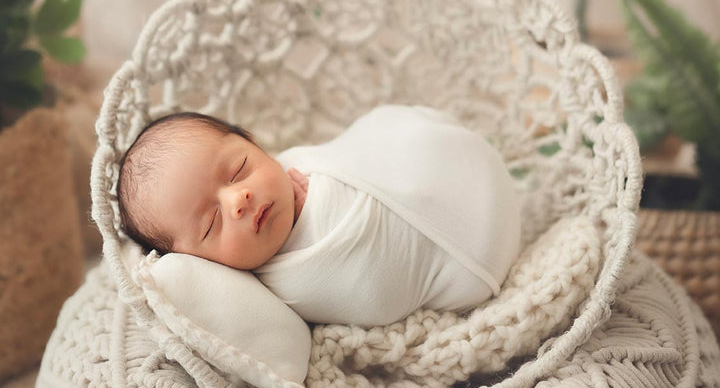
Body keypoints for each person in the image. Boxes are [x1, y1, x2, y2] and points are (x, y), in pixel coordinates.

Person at [117, 105, 521, 326]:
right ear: (197, 262)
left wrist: (327, 175)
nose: (238, 199)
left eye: (239, 168)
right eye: (212, 223)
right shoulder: (265, 293)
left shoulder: (297, 164)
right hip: (472, 265)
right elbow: (368, 292)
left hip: (464, 174)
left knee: (385, 126)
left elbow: (352, 156)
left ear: (257, 145)